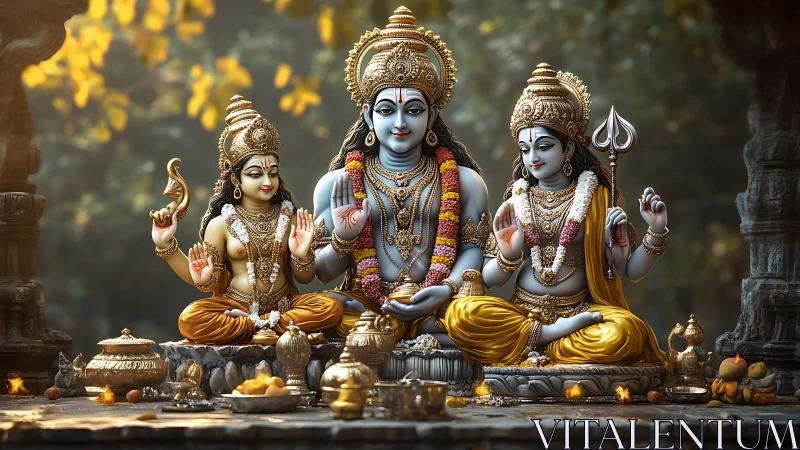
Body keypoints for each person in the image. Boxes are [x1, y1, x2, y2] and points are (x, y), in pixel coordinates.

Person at [445, 64, 669, 366]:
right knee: (462, 313)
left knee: (625, 333)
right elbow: (492, 281)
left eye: (543, 146)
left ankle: (536, 345)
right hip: (524, 311)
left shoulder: (597, 199)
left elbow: (629, 272)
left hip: (582, 313)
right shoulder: (517, 199)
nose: (533, 158)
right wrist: (508, 254)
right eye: (525, 149)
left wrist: (655, 231)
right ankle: (550, 336)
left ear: (568, 149)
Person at [151, 95, 343, 344]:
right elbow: (208, 277)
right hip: (236, 308)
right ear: (236, 179)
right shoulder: (220, 225)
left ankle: (262, 327)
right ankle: (265, 328)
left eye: (272, 173)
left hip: (284, 307)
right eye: (255, 174)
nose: (267, 182)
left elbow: (304, 278)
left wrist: (302, 255)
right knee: (191, 318)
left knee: (331, 308)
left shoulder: (290, 219)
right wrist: (167, 246)